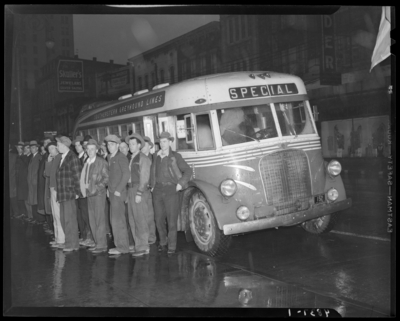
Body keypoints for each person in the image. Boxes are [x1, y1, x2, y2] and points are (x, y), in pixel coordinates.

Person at [150, 132, 192, 255]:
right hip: (157, 190)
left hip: (171, 190)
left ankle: (172, 246)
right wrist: (152, 186)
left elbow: (188, 171)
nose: (162, 144)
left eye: (165, 141)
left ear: (169, 142)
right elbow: (152, 172)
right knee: (158, 219)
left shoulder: (175, 156)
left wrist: (180, 184)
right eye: (161, 142)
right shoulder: (155, 156)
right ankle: (163, 242)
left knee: (172, 220)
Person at [80, 139, 109, 254]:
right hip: (89, 194)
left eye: (93, 149)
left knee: (99, 219)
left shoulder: (101, 162)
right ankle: (97, 242)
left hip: (98, 194)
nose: (90, 151)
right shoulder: (87, 161)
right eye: (88, 149)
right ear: (86, 151)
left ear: (97, 150)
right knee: (92, 219)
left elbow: (106, 178)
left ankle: (102, 244)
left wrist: (96, 188)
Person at [126, 133, 152, 257]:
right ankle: (138, 245)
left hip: (138, 190)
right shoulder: (131, 158)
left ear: (139, 145)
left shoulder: (143, 158)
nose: (130, 146)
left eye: (133, 144)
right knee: (132, 218)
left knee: (140, 218)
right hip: (131, 190)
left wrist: (139, 193)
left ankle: (143, 246)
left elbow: (145, 177)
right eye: (129, 144)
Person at [105, 134, 130, 255]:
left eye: (112, 144)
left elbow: (126, 175)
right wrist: (108, 190)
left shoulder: (121, 157)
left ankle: (123, 247)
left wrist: (119, 190)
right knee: (113, 220)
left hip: (118, 194)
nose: (109, 147)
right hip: (112, 193)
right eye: (108, 144)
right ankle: (118, 245)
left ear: (117, 145)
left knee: (119, 220)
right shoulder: (110, 157)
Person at [56, 136, 82, 252]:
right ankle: (69, 241)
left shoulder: (72, 158)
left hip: (69, 193)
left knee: (69, 219)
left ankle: (73, 244)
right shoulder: (63, 157)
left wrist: (77, 192)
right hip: (62, 193)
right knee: (63, 219)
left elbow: (77, 176)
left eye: (58, 145)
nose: (57, 147)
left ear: (64, 145)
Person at [72, 135, 93, 246]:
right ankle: (84, 235)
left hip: (85, 190)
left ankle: (89, 237)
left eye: (79, 145)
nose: (77, 147)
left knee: (86, 214)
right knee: (82, 214)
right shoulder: (79, 157)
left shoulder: (87, 158)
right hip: (80, 190)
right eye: (75, 145)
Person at [46, 142, 65, 248]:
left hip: (57, 190)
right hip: (53, 189)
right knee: (55, 214)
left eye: (52, 148)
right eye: (49, 149)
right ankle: (58, 238)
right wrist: (48, 162)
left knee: (58, 214)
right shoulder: (54, 159)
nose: (50, 151)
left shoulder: (59, 158)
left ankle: (61, 240)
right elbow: (47, 174)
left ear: (57, 149)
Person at [119, 140, 135, 252]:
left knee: (131, 218)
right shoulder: (120, 159)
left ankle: (132, 242)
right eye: (120, 148)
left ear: (128, 148)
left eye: (124, 147)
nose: (122, 150)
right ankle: (126, 242)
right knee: (124, 218)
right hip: (121, 193)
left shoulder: (130, 159)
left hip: (128, 192)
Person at [141, 136, 157, 245]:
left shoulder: (154, 158)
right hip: (141, 190)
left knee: (150, 215)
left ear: (150, 146)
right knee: (142, 215)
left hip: (152, 190)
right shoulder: (138, 158)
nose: (142, 147)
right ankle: (144, 237)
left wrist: (153, 185)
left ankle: (151, 237)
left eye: (145, 145)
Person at [37, 137, 53, 231]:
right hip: (44, 182)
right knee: (47, 205)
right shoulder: (45, 155)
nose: (46, 144)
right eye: (45, 143)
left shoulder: (50, 155)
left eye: (48, 142)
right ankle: (49, 224)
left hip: (49, 183)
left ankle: (51, 226)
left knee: (50, 205)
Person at [27, 140, 43, 224]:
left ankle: (39, 218)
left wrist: (35, 181)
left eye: (34, 147)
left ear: (37, 148)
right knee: (32, 200)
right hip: (31, 183)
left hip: (35, 183)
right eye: (31, 147)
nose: (32, 149)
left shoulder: (39, 157)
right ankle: (34, 217)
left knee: (36, 200)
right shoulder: (32, 157)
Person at [15, 141, 28, 218]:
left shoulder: (25, 157)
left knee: (24, 196)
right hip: (17, 180)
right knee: (19, 196)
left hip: (24, 180)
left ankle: (26, 213)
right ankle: (22, 212)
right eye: (18, 148)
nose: (20, 149)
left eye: (21, 148)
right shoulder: (16, 156)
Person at [9, 144, 18, 218]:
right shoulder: (14, 156)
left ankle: (15, 213)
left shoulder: (14, 156)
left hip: (12, 179)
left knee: (12, 196)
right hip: (10, 179)